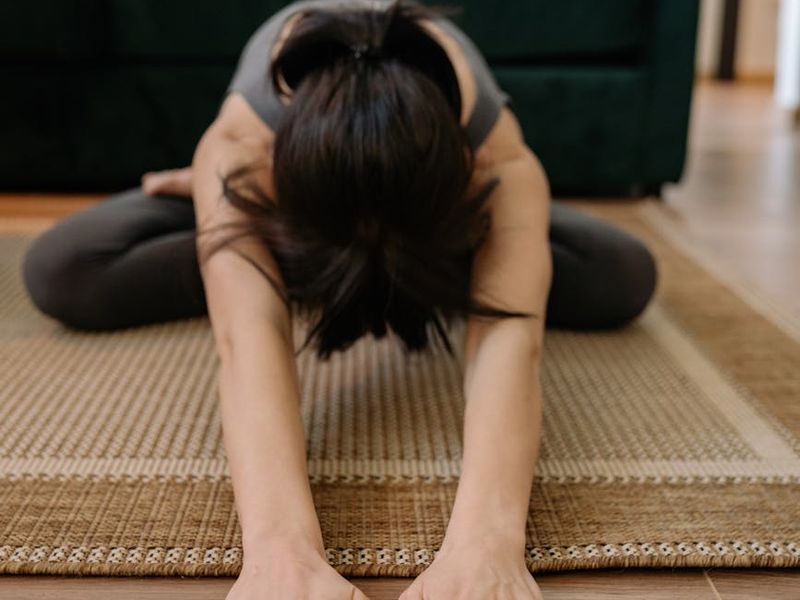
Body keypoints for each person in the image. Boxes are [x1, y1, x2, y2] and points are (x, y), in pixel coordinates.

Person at [21, 1, 657, 598]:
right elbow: (249, 341)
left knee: (623, 274)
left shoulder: (491, 152)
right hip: (290, 220)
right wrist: (280, 553)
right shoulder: (246, 148)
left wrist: (487, 546)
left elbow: (512, 340)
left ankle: (420, 244)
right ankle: (249, 226)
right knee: (64, 269)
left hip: (437, 235)